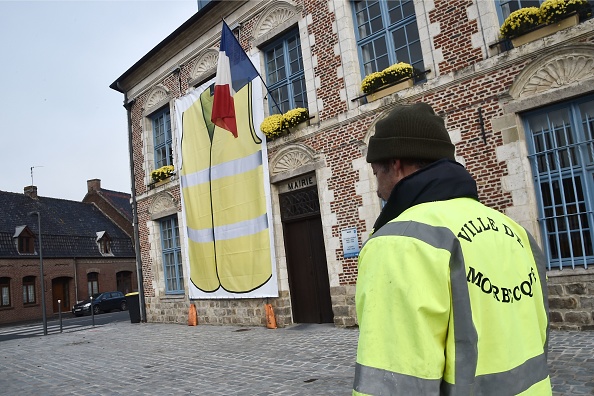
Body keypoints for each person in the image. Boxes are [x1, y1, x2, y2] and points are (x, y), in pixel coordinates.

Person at [353, 103, 551, 395]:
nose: (377, 189)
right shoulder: (516, 232)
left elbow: (394, 384)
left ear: (395, 164)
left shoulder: (398, 242)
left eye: (375, 174)